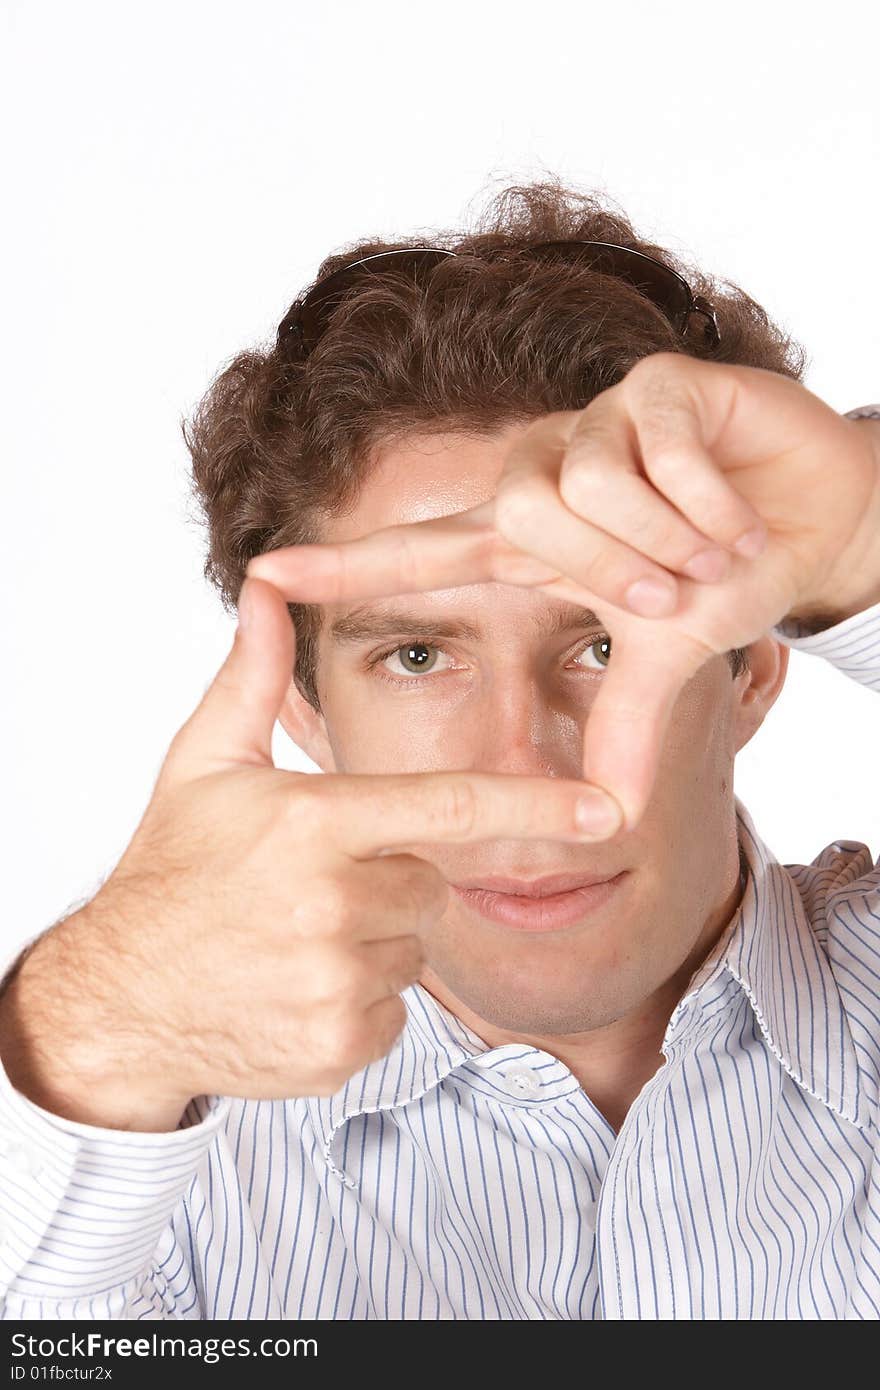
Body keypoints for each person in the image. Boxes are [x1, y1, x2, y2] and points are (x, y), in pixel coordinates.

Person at [1, 179, 878, 1321]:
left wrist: (865, 542)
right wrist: (91, 1035)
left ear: (753, 669)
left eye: (604, 643)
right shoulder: (153, 1155)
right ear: (305, 711)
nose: (520, 769)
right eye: (418, 655)